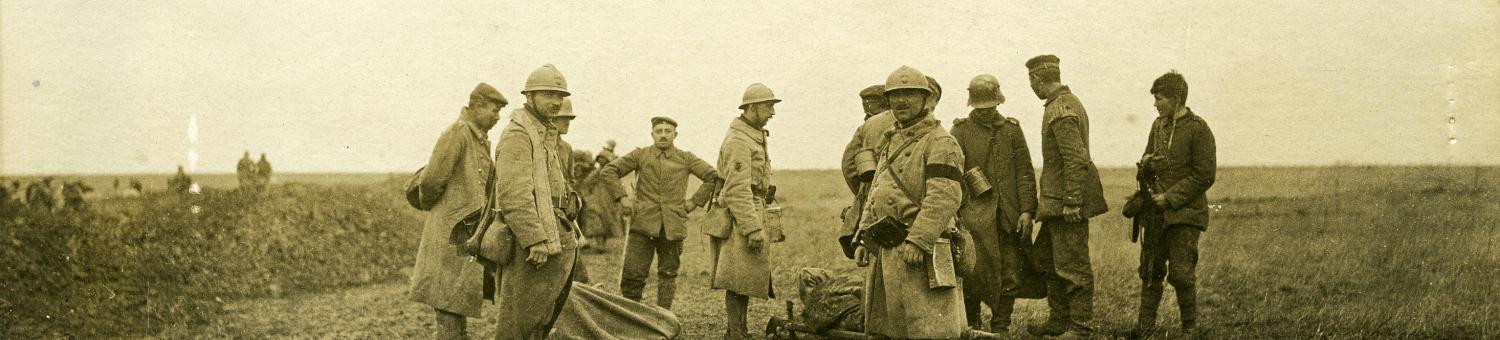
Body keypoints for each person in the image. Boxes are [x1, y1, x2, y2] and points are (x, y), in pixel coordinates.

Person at [853, 66, 969, 339]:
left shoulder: (941, 142)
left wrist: (919, 240)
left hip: (921, 252)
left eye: (910, 95)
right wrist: (864, 238)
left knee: (927, 329)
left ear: (926, 100)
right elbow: (877, 190)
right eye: (895, 95)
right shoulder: (891, 139)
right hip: (887, 251)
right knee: (890, 329)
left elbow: (943, 196)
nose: (901, 101)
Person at [408, 82, 505, 339]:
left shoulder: (476, 137)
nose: (497, 118)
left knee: (456, 303)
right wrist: (442, 211)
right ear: (477, 106)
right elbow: (431, 182)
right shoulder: (458, 133)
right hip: (449, 234)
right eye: (494, 111)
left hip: (463, 237)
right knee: (449, 304)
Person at [489, 64, 579, 339]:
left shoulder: (542, 133)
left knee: (541, 317)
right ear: (529, 97)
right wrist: (534, 239)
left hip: (550, 233)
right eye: (547, 95)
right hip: (532, 245)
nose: (555, 102)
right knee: (519, 322)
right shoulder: (519, 135)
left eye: (559, 96)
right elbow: (514, 194)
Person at [1024, 55, 1109, 339]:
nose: (1032, 85)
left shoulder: (1060, 108)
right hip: (1056, 203)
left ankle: (1080, 328)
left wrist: (1072, 201)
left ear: (1036, 80)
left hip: (1065, 204)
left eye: (1032, 80)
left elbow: (1075, 158)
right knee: (1047, 260)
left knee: (1072, 266)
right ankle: (1059, 321)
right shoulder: (1065, 103)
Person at [1127, 71, 1216, 338]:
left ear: (1176, 99)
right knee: (1151, 269)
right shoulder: (1158, 126)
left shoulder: (1198, 129)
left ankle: (1190, 328)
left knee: (1181, 273)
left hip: (1184, 214)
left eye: (1160, 98)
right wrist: (1145, 164)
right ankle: (1145, 327)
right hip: (1155, 213)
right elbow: (1146, 159)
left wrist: (1171, 198)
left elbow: (1205, 174)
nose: (1155, 104)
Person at [952, 73, 1042, 332]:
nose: (985, 113)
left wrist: (1027, 211)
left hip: (1009, 218)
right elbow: (952, 177)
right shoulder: (959, 131)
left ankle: (1001, 326)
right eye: (980, 109)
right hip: (974, 220)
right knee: (973, 274)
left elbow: (1025, 173)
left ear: (998, 103)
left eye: (990, 107)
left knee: (1011, 272)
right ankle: (972, 325)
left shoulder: (1012, 130)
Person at [599, 116, 719, 309]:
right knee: (633, 275)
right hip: (642, 225)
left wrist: (694, 203)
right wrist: (622, 198)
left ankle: (663, 317)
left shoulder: (685, 158)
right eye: (659, 131)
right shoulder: (641, 155)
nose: (663, 135)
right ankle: (630, 318)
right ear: (652, 134)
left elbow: (712, 176)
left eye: (667, 131)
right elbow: (608, 171)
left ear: (675, 134)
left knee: (668, 273)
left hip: (673, 226)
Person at [707, 83, 783, 339]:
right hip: (741, 215)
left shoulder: (752, 134)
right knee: (738, 279)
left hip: (750, 208)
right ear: (752, 108)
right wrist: (752, 228)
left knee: (743, 278)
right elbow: (737, 190)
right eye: (768, 106)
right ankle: (737, 333)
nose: (772, 112)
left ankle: (737, 330)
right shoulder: (739, 140)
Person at [839, 84, 898, 258]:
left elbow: (849, 165)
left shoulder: (867, 126)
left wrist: (863, 192)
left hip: (873, 198)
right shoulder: (907, 119)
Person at [550, 98, 591, 284]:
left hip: (564, 213)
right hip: (544, 212)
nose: (567, 123)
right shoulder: (537, 144)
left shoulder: (566, 148)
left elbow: (569, 181)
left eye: (569, 119)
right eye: (563, 118)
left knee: (575, 269)